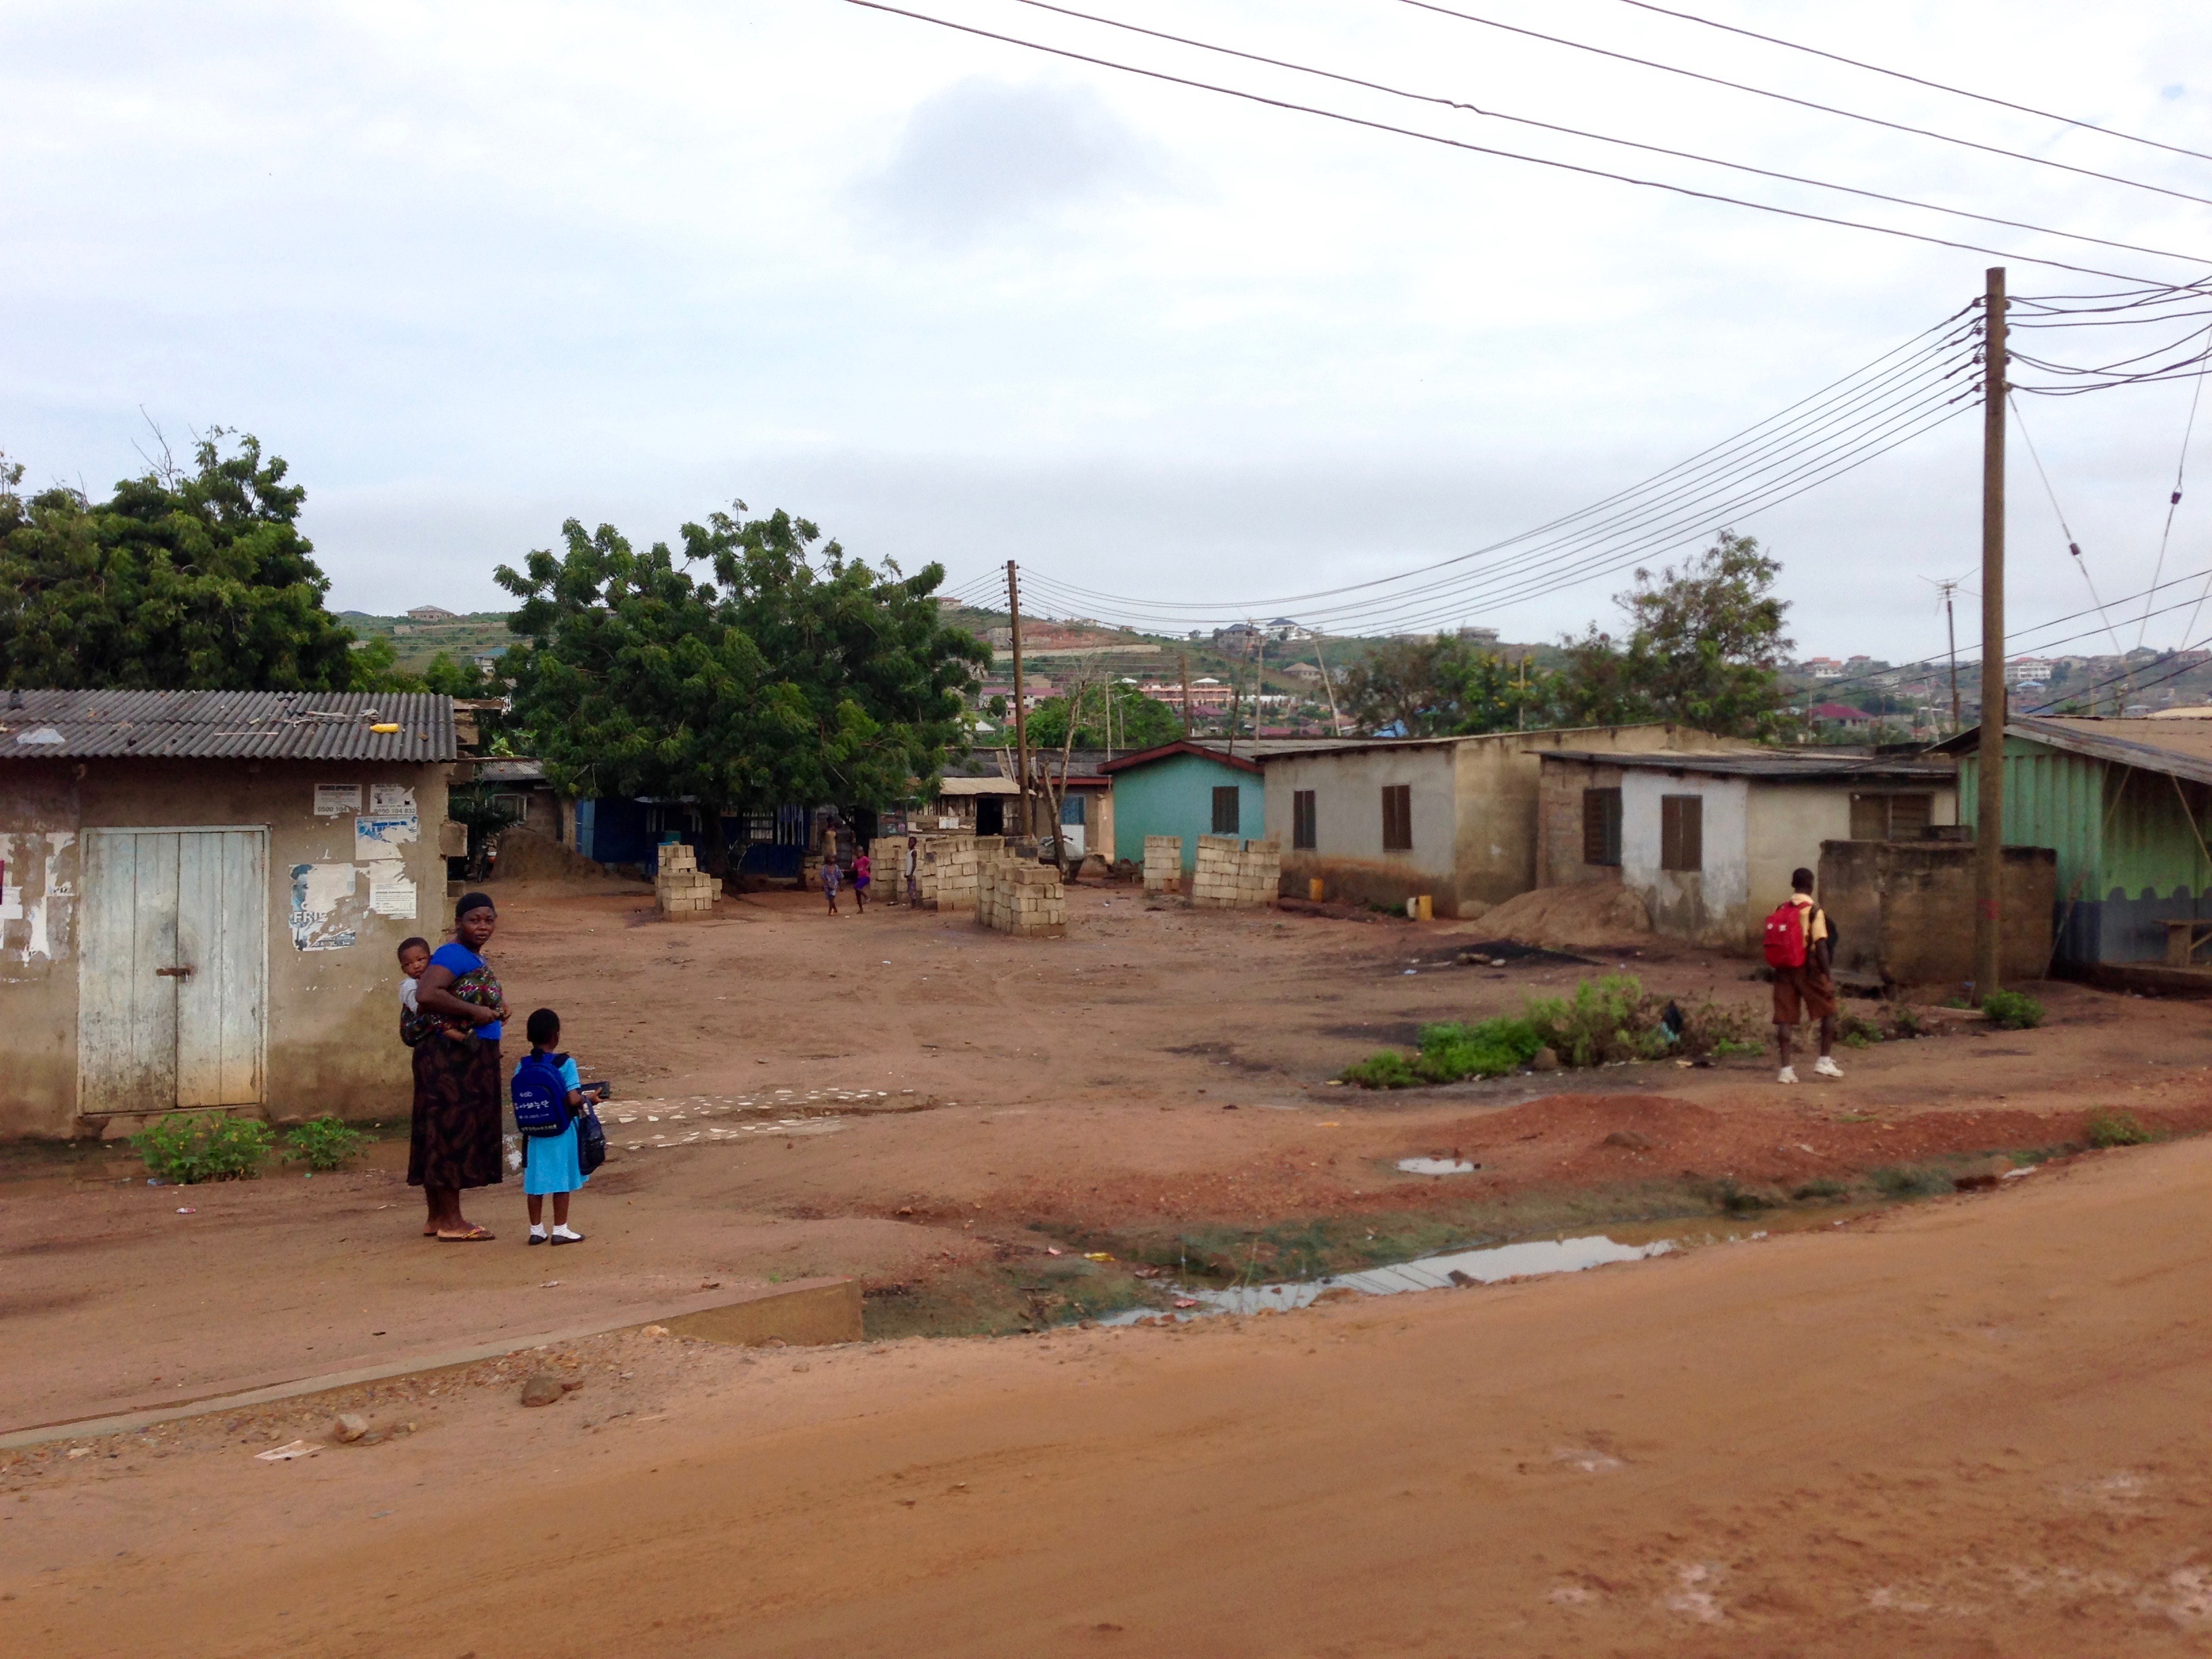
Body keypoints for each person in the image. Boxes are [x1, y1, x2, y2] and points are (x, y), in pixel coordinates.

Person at [409, 893, 510, 1240]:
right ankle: (452, 1223)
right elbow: (427, 993)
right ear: (459, 923)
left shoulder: (470, 957)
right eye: (474, 920)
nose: (482, 927)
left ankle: (437, 1217)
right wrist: (475, 1012)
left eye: (489, 920)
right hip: (451, 1060)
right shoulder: (452, 954)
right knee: (452, 1131)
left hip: (461, 1058)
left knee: (438, 1130)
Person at [515, 1008, 600, 1245]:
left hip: (534, 1132)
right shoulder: (566, 1063)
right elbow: (573, 1099)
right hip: (562, 1129)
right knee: (561, 1179)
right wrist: (590, 1099)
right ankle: (560, 1229)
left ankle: (536, 1229)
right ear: (556, 1036)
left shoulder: (522, 1065)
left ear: (529, 1037)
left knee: (535, 1181)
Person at [1772, 866, 1843, 1085]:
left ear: (1793, 885)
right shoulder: (1814, 912)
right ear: (1811, 886)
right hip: (1808, 968)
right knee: (1829, 1010)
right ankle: (1823, 1060)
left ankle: (1785, 1069)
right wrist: (1827, 974)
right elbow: (1820, 945)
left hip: (1784, 969)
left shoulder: (1781, 908)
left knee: (1785, 1017)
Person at [822, 851, 842, 916]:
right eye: (831, 857)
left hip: (834, 884)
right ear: (827, 859)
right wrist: (828, 884)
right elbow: (823, 877)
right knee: (830, 898)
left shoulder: (836, 867)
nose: (833, 859)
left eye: (834, 858)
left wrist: (840, 886)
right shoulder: (824, 868)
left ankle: (830, 911)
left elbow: (840, 876)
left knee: (832, 896)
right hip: (827, 885)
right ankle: (835, 909)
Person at [852, 848, 872, 913]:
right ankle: (861, 909)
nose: (859, 853)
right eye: (858, 852)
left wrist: (868, 866)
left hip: (866, 876)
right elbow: (853, 869)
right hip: (859, 878)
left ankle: (866, 897)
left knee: (856, 887)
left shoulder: (864, 858)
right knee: (857, 894)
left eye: (860, 852)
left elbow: (870, 862)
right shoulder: (856, 861)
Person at [904, 835, 920, 907]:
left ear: (914, 843)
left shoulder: (914, 852)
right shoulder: (909, 852)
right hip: (908, 873)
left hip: (912, 874)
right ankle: (913, 903)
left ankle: (914, 904)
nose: (909, 844)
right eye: (909, 842)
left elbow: (914, 864)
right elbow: (908, 864)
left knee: (912, 889)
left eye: (911, 842)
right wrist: (906, 873)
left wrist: (911, 874)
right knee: (909, 889)